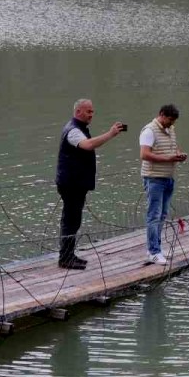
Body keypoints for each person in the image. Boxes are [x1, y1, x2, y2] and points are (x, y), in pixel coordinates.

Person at [55, 99, 124, 269]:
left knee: (73, 220)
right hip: (71, 184)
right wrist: (110, 134)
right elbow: (88, 145)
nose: (91, 115)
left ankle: (69, 255)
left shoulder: (78, 128)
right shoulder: (73, 131)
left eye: (92, 111)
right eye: (88, 112)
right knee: (71, 221)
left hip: (76, 183)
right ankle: (65, 258)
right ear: (78, 112)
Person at [139, 104, 187, 265]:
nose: (171, 124)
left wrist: (178, 154)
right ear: (161, 115)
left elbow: (173, 146)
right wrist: (169, 159)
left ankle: (156, 247)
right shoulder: (149, 131)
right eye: (169, 120)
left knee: (162, 214)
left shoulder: (170, 129)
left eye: (173, 121)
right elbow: (144, 154)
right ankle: (153, 251)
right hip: (154, 178)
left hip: (168, 178)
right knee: (154, 215)